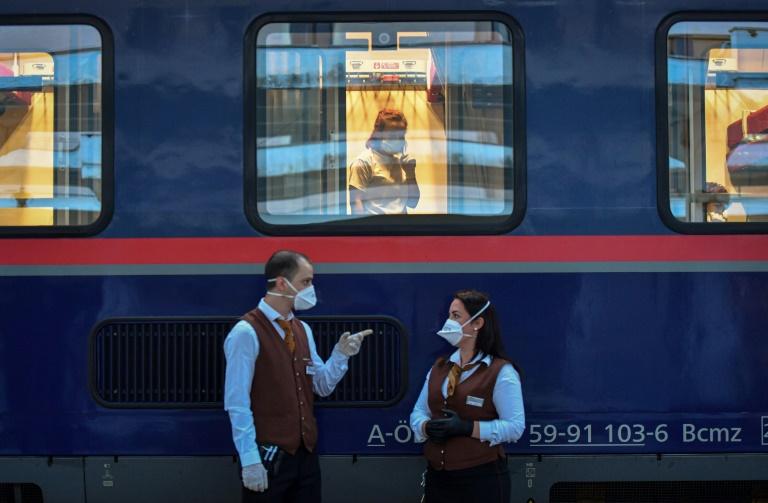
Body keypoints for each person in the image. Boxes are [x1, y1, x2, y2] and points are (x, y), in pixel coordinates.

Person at [224, 250, 367, 502]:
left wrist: (341, 355)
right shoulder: (246, 332)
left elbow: (320, 385)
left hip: (305, 458)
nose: (311, 289)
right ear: (281, 283)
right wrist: (249, 461)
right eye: (306, 282)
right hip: (268, 458)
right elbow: (237, 403)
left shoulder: (302, 329)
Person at [410, 290, 525, 503]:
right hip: (439, 479)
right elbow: (418, 412)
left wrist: (466, 427)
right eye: (449, 315)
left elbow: (515, 427)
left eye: (456, 316)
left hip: (482, 479)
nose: (448, 322)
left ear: (477, 323)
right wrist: (427, 427)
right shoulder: (439, 367)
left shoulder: (502, 372)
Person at [349, 108, 420, 215]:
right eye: (392, 135)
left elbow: (412, 203)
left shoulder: (402, 162)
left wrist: (411, 174)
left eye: (400, 136)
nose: (397, 140)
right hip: (376, 228)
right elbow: (356, 205)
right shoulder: (364, 162)